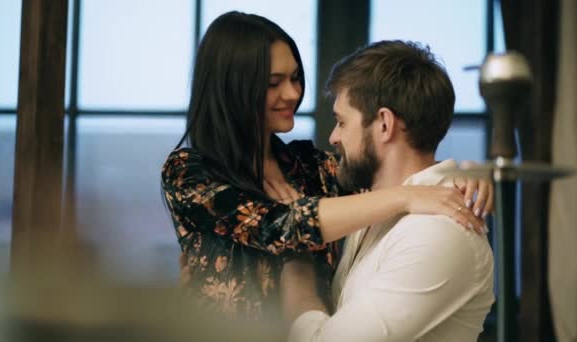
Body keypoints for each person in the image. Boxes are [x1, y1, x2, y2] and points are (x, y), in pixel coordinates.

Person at [161, 11, 491, 321]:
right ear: (233, 86)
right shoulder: (189, 173)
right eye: (274, 82)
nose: (292, 93)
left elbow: (387, 167)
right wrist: (408, 195)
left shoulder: (310, 166)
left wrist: (460, 175)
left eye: (295, 77)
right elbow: (279, 226)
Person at [282, 40, 494, 341]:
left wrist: (297, 277)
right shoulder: (375, 202)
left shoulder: (437, 233)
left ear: (384, 124)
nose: (333, 137)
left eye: (342, 122)